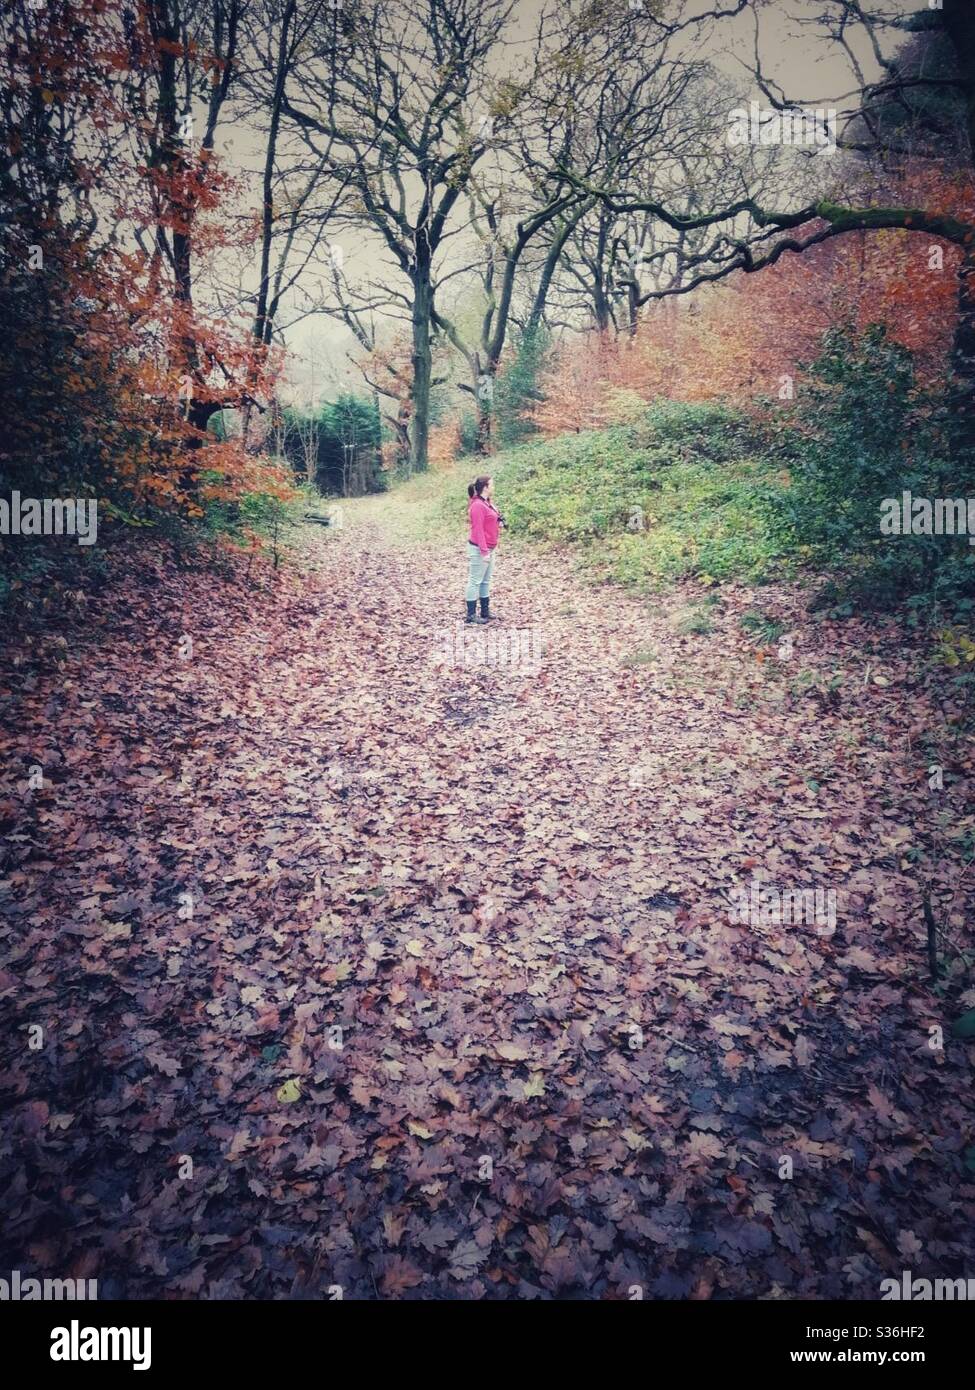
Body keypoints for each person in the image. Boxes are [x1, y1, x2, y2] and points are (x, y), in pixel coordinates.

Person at [465, 475, 503, 623]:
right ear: (485, 487)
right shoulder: (477, 506)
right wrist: (484, 551)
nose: (493, 487)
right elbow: (478, 530)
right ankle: (471, 615)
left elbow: (490, 520)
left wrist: (498, 523)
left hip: (490, 547)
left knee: (486, 581)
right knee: (475, 580)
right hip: (480, 548)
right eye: (491, 485)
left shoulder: (487, 503)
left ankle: (485, 612)